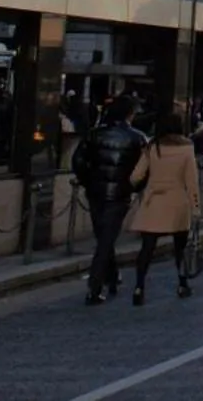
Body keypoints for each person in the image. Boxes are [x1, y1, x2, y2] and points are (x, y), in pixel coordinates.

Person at [71, 95, 147, 305]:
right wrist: (135, 187)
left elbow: (78, 160)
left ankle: (111, 277)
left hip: (96, 191)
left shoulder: (95, 134)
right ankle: (95, 287)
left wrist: (88, 180)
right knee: (106, 239)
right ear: (130, 114)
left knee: (104, 236)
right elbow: (144, 169)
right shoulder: (137, 138)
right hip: (119, 194)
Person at [128, 111, 201, 306]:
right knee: (180, 249)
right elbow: (191, 181)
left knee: (147, 249)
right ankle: (182, 284)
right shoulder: (186, 148)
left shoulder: (153, 146)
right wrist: (196, 208)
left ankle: (139, 287)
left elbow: (135, 176)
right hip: (178, 201)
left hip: (154, 201)